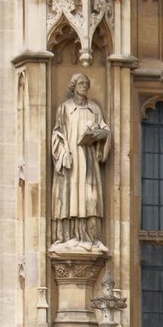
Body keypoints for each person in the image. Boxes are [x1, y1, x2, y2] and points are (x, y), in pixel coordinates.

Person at [50, 73, 111, 247]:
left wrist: (98, 135)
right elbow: (57, 134)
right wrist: (62, 153)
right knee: (70, 196)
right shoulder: (65, 108)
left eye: (87, 84)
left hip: (88, 158)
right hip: (71, 159)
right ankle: (69, 236)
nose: (84, 87)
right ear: (74, 86)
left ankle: (89, 237)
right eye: (81, 83)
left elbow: (105, 130)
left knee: (89, 197)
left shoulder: (94, 109)